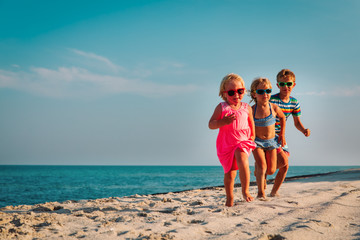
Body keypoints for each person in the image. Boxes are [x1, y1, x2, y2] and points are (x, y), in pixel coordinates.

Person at [209, 73, 256, 206]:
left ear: (244, 91)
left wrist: (253, 135)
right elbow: (211, 124)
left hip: (243, 141)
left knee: (242, 158)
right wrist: (223, 121)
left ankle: (245, 191)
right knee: (230, 173)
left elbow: (251, 122)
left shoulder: (246, 107)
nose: (236, 95)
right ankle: (229, 198)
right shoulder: (222, 107)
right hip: (226, 143)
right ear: (224, 94)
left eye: (240, 91)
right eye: (231, 92)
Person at [269, 69, 311, 197]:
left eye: (288, 84)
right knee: (282, 162)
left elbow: (296, 122)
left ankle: (274, 192)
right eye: (282, 84)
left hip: (281, 137)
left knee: (284, 166)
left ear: (293, 85)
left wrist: (304, 130)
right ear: (277, 85)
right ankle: (262, 171)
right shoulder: (271, 99)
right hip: (268, 135)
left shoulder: (294, 102)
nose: (285, 87)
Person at [250, 78, 287, 200]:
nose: (265, 94)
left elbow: (282, 118)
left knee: (271, 170)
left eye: (268, 91)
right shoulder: (252, 110)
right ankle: (261, 193)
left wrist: (282, 134)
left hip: (272, 142)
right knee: (262, 165)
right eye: (261, 92)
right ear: (254, 94)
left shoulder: (274, 108)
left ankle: (261, 171)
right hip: (257, 142)